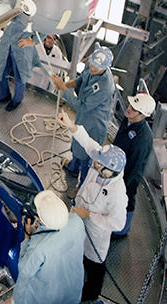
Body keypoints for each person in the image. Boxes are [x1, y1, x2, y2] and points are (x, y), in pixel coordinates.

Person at [58, 110, 127, 303]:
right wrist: (71, 126)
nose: (94, 164)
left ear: (110, 171)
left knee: (94, 266)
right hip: (79, 217)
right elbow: (88, 142)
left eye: (99, 165)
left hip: (97, 235)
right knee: (77, 252)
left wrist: (88, 215)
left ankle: (91, 294)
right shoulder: (102, 161)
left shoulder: (117, 194)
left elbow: (118, 223)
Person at [51, 45, 115, 190]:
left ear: (105, 68)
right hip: (83, 116)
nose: (92, 68)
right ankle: (73, 167)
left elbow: (82, 106)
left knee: (88, 155)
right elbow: (80, 80)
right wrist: (65, 84)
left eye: (96, 68)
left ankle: (81, 187)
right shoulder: (91, 65)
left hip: (94, 122)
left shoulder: (105, 86)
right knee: (77, 143)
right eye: (91, 64)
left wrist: (63, 89)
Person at [13, 190, 85, 304]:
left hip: (49, 297)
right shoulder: (76, 221)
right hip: (73, 290)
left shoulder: (38, 249)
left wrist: (27, 236)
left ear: (40, 220)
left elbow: (23, 270)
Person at [112, 89, 155, 237]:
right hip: (117, 166)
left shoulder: (142, 140)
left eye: (134, 109)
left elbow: (133, 168)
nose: (129, 109)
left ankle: (123, 229)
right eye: (130, 105)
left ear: (142, 115)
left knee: (127, 197)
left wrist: (120, 184)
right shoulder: (129, 119)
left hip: (128, 176)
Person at [0, 15, 44, 111]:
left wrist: (33, 41)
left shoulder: (39, 7)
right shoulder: (16, 2)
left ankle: (17, 100)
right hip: (6, 42)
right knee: (0, 70)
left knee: (20, 76)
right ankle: (3, 95)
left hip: (22, 46)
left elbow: (47, 26)